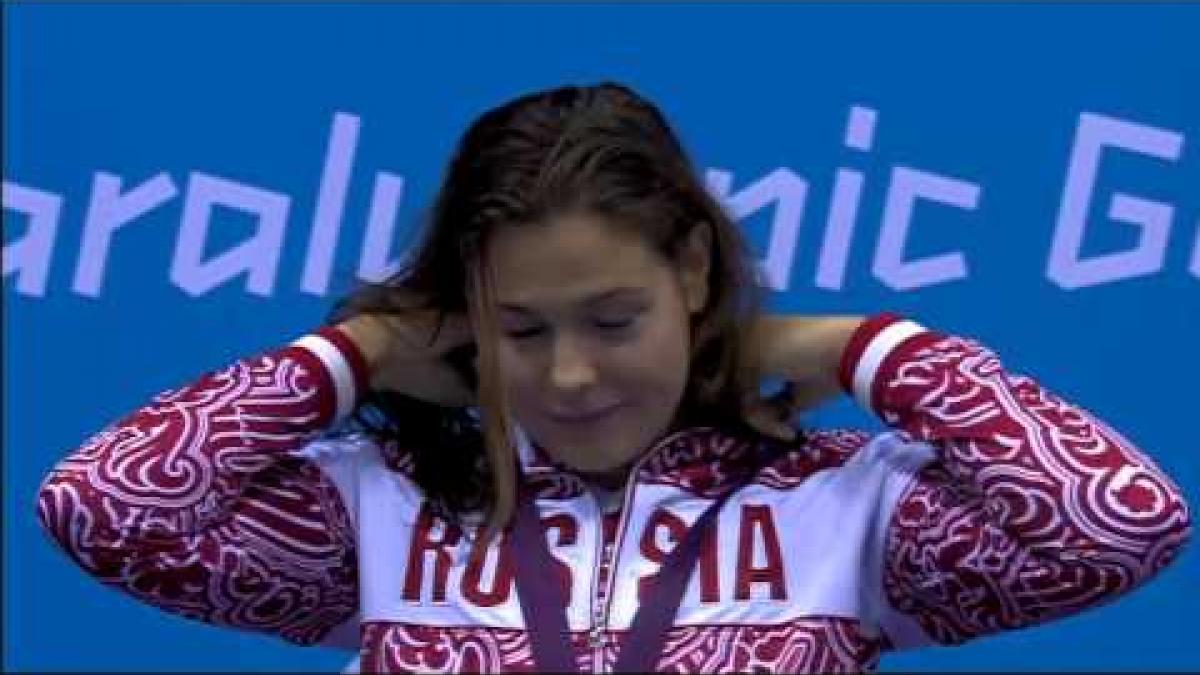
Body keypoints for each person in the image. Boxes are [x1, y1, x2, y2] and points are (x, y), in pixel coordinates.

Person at [37, 82, 1191, 673]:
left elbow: (1120, 527)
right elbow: (102, 510)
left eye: (614, 316)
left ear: (692, 268)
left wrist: (861, 350)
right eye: (519, 329)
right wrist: (361, 355)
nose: (574, 374)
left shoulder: (845, 505)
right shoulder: (380, 508)